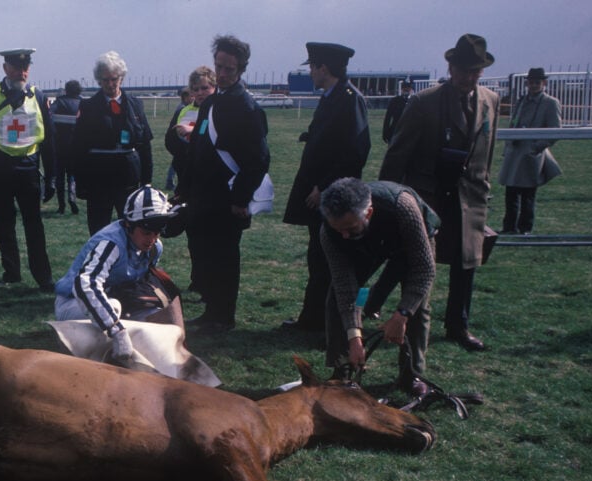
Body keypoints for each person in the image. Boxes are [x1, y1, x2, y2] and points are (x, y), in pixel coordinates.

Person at [380, 34, 500, 353]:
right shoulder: (424, 102)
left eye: (474, 71)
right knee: (420, 263)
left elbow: (486, 153)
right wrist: (390, 198)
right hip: (428, 196)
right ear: (450, 67)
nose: (468, 76)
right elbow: (397, 154)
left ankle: (459, 324)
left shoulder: (491, 101)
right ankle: (412, 321)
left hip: (470, 197)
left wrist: (482, 189)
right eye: (462, 69)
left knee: (467, 262)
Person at [176, 35, 270, 334]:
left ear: (241, 68)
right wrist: (184, 188)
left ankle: (223, 315)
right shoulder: (211, 102)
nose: (223, 73)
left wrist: (241, 199)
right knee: (204, 254)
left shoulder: (247, 107)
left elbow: (258, 160)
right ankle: (210, 310)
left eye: (229, 68)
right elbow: (197, 148)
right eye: (219, 66)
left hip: (227, 198)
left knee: (224, 259)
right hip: (202, 195)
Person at [319, 178, 438, 397]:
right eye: (339, 230)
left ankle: (411, 375)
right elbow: (347, 288)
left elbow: (424, 271)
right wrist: (354, 336)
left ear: (369, 213)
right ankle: (343, 368)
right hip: (368, 247)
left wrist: (402, 315)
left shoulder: (402, 206)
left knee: (418, 308)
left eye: (349, 228)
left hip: (409, 243)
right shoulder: (331, 233)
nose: (344, 235)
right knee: (339, 299)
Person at [282, 42, 371, 334]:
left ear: (324, 68)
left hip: (331, 198)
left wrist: (325, 187)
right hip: (319, 193)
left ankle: (326, 324)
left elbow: (355, 152)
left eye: (312, 67)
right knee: (317, 257)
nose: (310, 72)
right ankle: (312, 319)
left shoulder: (349, 99)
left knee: (329, 262)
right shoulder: (332, 97)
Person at [54, 185, 183, 364]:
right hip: (72, 302)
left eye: (156, 233)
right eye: (146, 232)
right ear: (129, 225)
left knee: (158, 316)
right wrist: (117, 331)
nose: (152, 239)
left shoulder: (155, 248)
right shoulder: (110, 243)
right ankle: (87, 355)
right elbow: (85, 285)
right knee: (113, 308)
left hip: (113, 296)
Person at [0, 48, 56, 290]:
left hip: (28, 169)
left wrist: (51, 177)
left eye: (26, 67)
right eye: (17, 67)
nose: (22, 71)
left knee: (34, 226)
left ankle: (44, 277)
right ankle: (11, 273)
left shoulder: (38, 96)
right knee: (4, 224)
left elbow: (49, 140)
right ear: (5, 68)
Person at [70, 50, 154, 234]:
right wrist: (81, 183)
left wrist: (146, 182)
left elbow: (144, 145)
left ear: (121, 78)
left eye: (114, 79)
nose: (110, 84)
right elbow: (78, 148)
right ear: (98, 80)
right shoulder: (88, 107)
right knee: (99, 231)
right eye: (105, 80)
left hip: (128, 180)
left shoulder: (136, 105)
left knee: (133, 230)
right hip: (99, 180)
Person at [165, 66, 215, 296]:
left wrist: (191, 136)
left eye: (205, 87)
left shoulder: (217, 110)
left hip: (210, 180)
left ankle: (210, 281)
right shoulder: (184, 110)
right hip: (188, 177)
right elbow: (169, 141)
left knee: (209, 236)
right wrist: (181, 145)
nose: (200, 92)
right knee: (193, 233)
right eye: (196, 89)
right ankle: (198, 279)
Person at [498, 67, 562, 235]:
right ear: (527, 83)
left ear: (544, 83)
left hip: (531, 155)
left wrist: (536, 148)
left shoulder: (550, 103)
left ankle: (525, 228)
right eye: (531, 82)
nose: (533, 86)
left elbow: (555, 131)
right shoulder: (521, 100)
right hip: (515, 151)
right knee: (510, 193)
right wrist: (508, 145)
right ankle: (509, 227)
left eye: (537, 82)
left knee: (528, 195)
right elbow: (514, 122)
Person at [50, 79, 82, 215]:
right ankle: (72, 197)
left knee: (59, 177)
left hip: (59, 146)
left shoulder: (59, 102)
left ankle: (61, 206)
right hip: (75, 147)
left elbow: (49, 115)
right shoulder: (82, 103)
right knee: (72, 175)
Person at [164, 87, 192, 190]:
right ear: (185, 97)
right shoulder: (183, 109)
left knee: (176, 162)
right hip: (178, 144)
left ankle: (170, 182)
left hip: (177, 144)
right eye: (192, 96)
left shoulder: (185, 108)